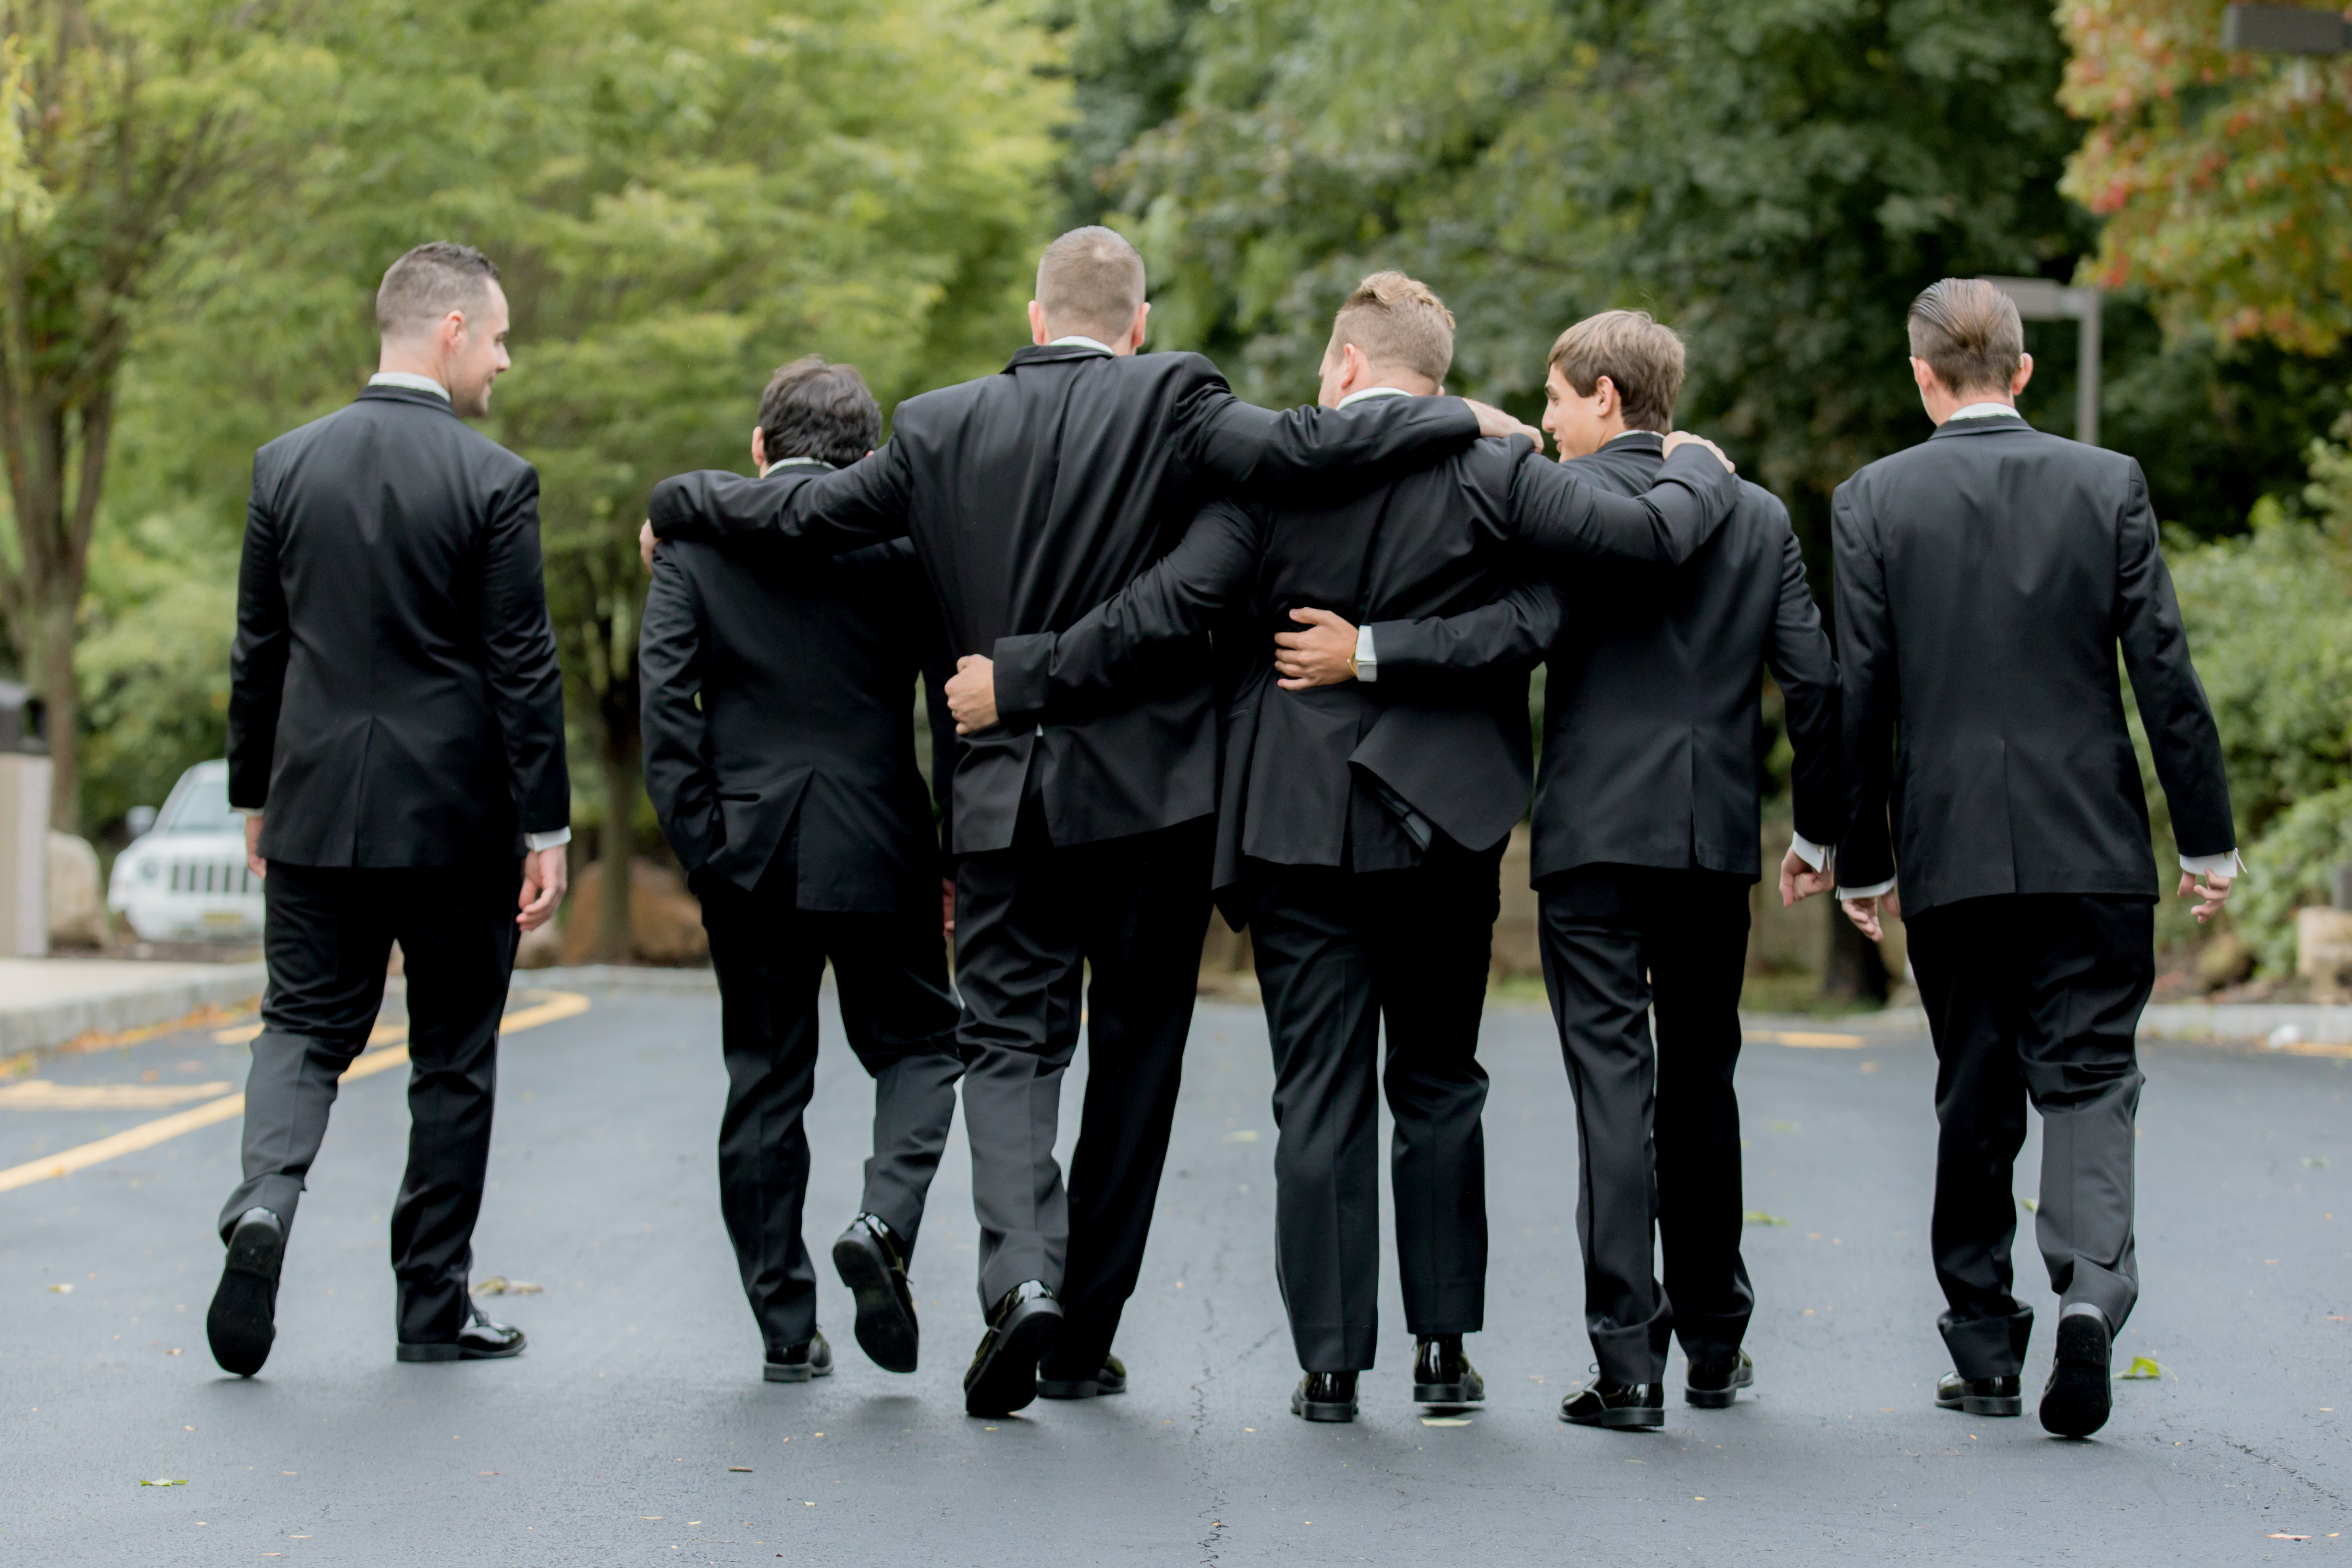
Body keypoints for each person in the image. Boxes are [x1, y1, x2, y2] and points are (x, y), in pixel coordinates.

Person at [644, 228, 1547, 1418]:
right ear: (1140, 322)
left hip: (1000, 796)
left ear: (1032, 319)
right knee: (1136, 1060)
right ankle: (1082, 1336)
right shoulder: (1181, 398)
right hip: (1152, 802)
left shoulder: (937, 423)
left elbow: (804, 519)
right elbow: (1297, 459)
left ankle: (1022, 1273)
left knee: (1008, 1044)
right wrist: (1460, 415)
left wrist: (680, 502)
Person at [947, 274, 1743, 1422]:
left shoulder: (1262, 488)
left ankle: (1329, 1369)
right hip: (1446, 824)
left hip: (1292, 821)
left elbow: (1193, 602)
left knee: (1314, 1096)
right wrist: (1700, 470)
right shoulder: (1500, 469)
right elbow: (1555, 608)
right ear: (1433, 370)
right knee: (1439, 1085)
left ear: (1347, 367)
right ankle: (1441, 1351)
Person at [1833, 278, 2237, 1438]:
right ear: (2022, 371)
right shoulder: (2106, 484)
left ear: (1922, 378)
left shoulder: (1873, 500)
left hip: (1953, 850)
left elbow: (1861, 695)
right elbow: (2163, 668)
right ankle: (2091, 1291)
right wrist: (2204, 835)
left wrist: (1861, 859)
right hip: (2095, 845)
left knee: (1975, 1085)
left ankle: (1985, 1348)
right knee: (2093, 1071)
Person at [212, 242, 569, 1376]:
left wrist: (255, 794)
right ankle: (431, 1308)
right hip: (456, 826)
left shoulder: (285, 466)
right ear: (451, 330)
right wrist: (547, 828)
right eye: (501, 336)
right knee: (453, 1059)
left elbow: (258, 651)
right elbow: (523, 667)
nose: (506, 361)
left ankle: (265, 1200)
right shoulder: (494, 482)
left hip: (317, 808)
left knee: (303, 1028)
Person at [1511, 311, 1838, 1430]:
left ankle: (1625, 1359)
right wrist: (1821, 830)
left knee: (1614, 1088)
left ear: (1605, 396)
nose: (1547, 422)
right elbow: (1817, 682)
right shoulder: (1756, 516)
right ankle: (1714, 1339)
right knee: (1701, 1080)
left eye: (1555, 399)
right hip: (1709, 841)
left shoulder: (1567, 510)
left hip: (1595, 841)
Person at [638, 356, 967, 1386]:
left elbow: (664, 713)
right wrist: (953, 846)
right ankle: (884, 1219)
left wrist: (706, 846)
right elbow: (953, 707)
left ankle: (786, 1327)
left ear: (758, 449)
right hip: (882, 839)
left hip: (753, 852)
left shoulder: (696, 551)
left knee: (766, 1083)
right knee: (920, 1048)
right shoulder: (908, 551)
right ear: (869, 459)